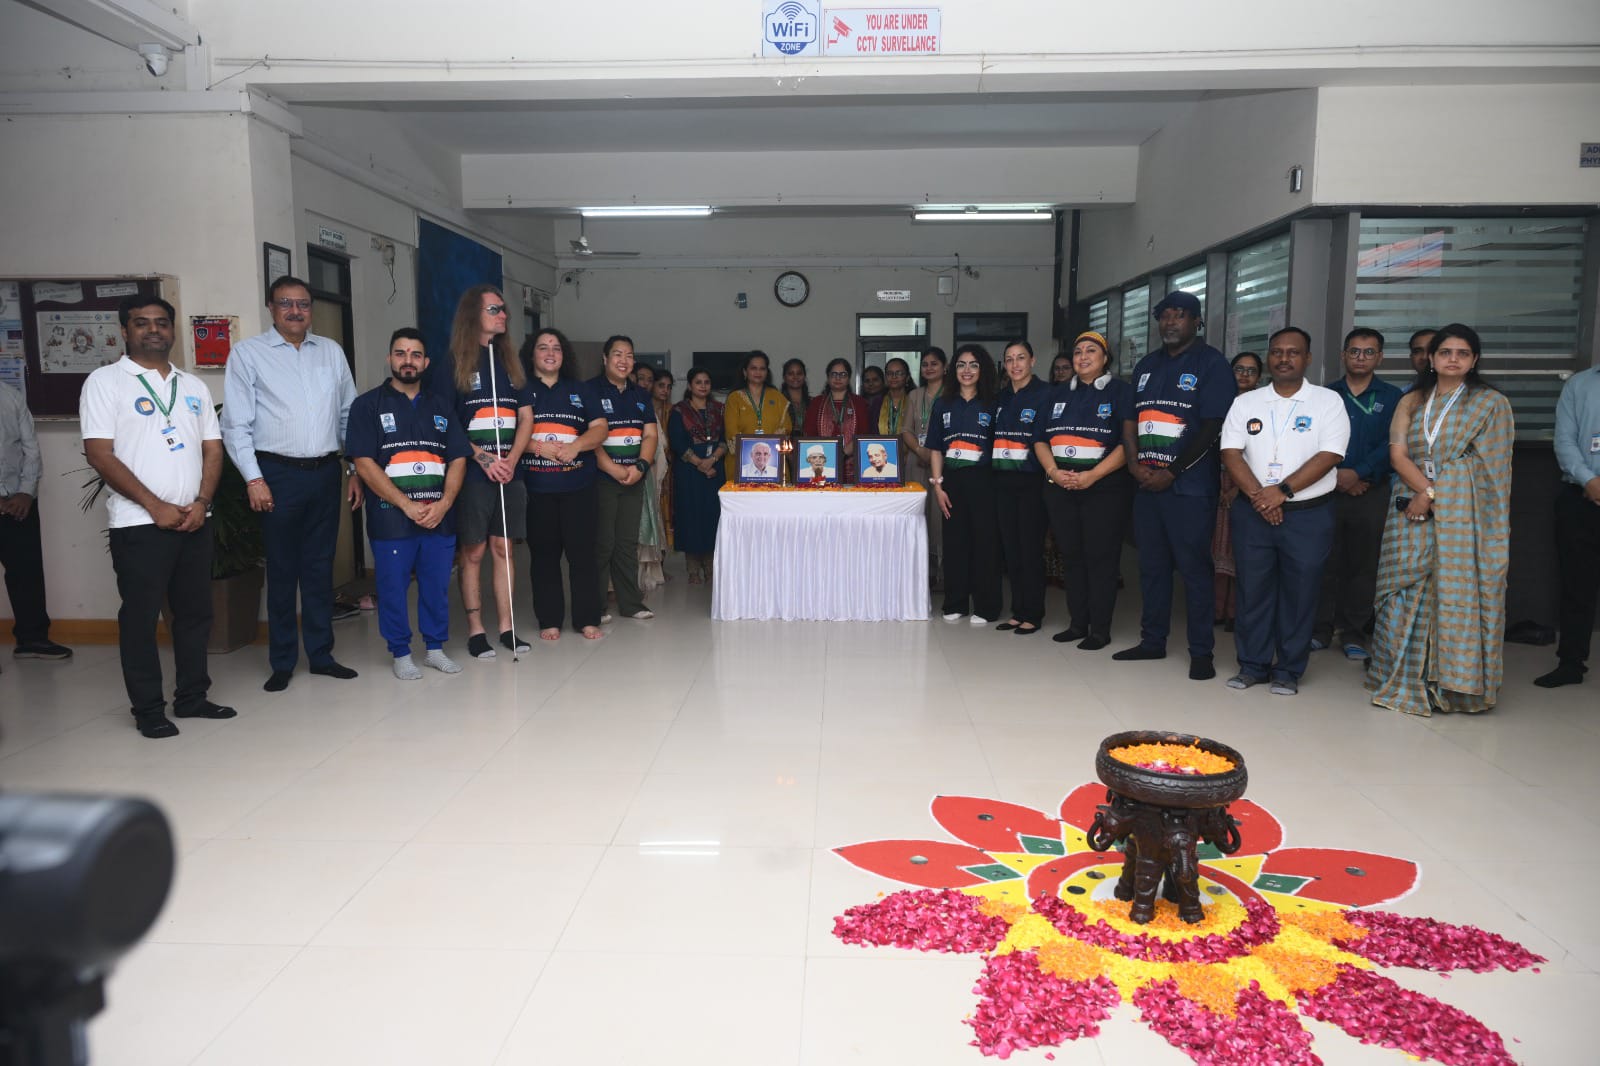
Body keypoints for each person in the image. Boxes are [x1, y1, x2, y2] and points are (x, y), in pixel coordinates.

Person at [81, 296, 233, 738]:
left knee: (195, 615)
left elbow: (212, 450)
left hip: (194, 520)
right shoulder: (105, 382)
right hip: (139, 524)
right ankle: (148, 709)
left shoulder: (192, 386)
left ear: (172, 330)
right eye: (142, 323)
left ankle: (192, 697)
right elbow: (99, 453)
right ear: (124, 331)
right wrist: (154, 505)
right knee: (141, 618)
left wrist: (202, 502)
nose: (153, 330)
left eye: (162, 323)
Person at [222, 275, 362, 692]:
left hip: (325, 473)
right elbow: (236, 425)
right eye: (286, 303)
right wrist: (254, 479)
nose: (295, 311)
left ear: (310, 309)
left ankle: (321, 655)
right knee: (282, 571)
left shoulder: (331, 352)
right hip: (276, 474)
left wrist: (354, 468)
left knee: (319, 568)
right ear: (271, 308)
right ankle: (282, 661)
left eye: (302, 304)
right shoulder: (248, 354)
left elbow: (348, 415)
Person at [1368, 324, 1514, 716]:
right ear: (1431, 359)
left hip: (1464, 519)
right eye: (1445, 352)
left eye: (1462, 353)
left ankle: (1453, 686)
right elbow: (1397, 454)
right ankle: (1402, 679)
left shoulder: (1490, 404)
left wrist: (1432, 495)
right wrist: (1425, 493)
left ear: (1474, 360)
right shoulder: (1411, 400)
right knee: (1401, 592)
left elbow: (1488, 468)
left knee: (1451, 591)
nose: (1453, 359)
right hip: (1410, 511)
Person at [1219, 328, 1349, 696]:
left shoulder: (1327, 401)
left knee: (1300, 592)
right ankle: (1252, 665)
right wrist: (1262, 497)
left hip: (1308, 514)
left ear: (1308, 358)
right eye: (1277, 352)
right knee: (1253, 590)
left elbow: (1330, 455)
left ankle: (1289, 670)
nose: (1284, 358)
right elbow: (1230, 452)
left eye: (1293, 352)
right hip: (1253, 511)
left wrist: (1283, 492)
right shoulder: (1247, 402)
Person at [1113, 291, 1235, 681]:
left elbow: (1213, 426)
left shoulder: (1212, 364)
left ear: (1197, 321)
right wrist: (1134, 464)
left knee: (1195, 571)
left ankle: (1201, 653)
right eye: (1164, 316)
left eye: (1179, 315)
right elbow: (1130, 421)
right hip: (1147, 486)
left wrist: (1174, 471)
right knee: (1151, 568)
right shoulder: (1146, 366)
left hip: (1189, 489)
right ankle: (1152, 641)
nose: (1170, 322)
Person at [346, 328, 471, 679]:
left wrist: (445, 503)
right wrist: (406, 505)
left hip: (438, 517)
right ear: (390, 359)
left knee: (436, 586)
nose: (408, 361)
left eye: (416, 355)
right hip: (391, 518)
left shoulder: (441, 405)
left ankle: (434, 649)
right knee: (392, 587)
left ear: (426, 362)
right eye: (400, 353)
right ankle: (400, 652)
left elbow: (458, 458)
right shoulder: (367, 405)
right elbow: (364, 464)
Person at [1035, 330, 1135, 650]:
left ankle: (1100, 630)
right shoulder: (1056, 394)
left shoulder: (1121, 392)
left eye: (1091, 351)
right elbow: (1040, 439)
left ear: (1105, 358)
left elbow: (1127, 443)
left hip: (1104, 489)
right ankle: (1078, 623)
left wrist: (1093, 475)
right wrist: (1053, 472)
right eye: (1078, 352)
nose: (1083, 357)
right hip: (1061, 487)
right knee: (1072, 556)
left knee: (1101, 558)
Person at [446, 285, 532, 660]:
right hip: (474, 474)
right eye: (495, 310)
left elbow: (526, 417)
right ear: (474, 315)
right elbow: (447, 423)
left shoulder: (510, 361)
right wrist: (484, 458)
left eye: (503, 309)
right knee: (474, 551)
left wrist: (511, 459)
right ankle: (476, 630)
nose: (503, 315)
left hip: (510, 472)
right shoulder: (455, 362)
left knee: (503, 547)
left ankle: (507, 628)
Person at [1312, 328, 1402, 660]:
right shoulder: (1325, 395)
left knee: (1363, 565)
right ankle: (1320, 629)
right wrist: (1337, 475)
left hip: (1371, 491)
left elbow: (1394, 444)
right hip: (1325, 488)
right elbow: (1312, 440)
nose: (1361, 358)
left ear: (1380, 357)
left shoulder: (1393, 397)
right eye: (1354, 351)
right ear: (1343, 355)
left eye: (1368, 352)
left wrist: (1359, 473)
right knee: (1323, 561)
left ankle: (1353, 633)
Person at [520, 328, 610, 640]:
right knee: (543, 557)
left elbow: (600, 428)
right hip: (537, 489)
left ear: (564, 355)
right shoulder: (519, 389)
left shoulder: (581, 390)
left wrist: (576, 446)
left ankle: (587, 618)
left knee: (582, 555)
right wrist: (536, 447)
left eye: (556, 348)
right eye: (543, 347)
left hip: (579, 487)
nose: (550, 353)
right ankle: (549, 620)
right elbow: (508, 434)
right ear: (531, 353)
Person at [927, 344, 1000, 625]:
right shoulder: (943, 404)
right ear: (953, 370)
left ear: (983, 370)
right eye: (961, 365)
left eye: (973, 365)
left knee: (984, 543)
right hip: (952, 482)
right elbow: (936, 448)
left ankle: (986, 606)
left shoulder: (994, 403)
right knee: (955, 542)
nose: (966, 371)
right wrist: (938, 486)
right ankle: (955, 602)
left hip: (984, 480)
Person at [1537, 357, 1600, 688]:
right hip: (1580, 497)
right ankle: (1572, 663)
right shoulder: (1579, 384)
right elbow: (1565, 440)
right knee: (1577, 584)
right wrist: (1589, 480)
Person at [1, 380, 72, 666]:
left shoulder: (10, 396)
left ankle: (32, 639)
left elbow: (31, 448)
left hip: (18, 501)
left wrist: (25, 492)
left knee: (26, 572)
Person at [591, 334, 659, 623]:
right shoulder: (590, 391)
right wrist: (613, 469)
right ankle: (594, 606)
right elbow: (589, 438)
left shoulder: (640, 395)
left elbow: (650, 435)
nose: (624, 360)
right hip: (601, 478)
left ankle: (630, 603)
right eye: (617, 354)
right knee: (602, 543)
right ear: (605, 359)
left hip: (634, 478)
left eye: (629, 355)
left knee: (627, 543)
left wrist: (640, 466)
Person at [991, 339, 1050, 635]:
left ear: (1032, 361)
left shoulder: (1045, 394)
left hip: (1032, 481)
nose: (1015, 364)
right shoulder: (1000, 397)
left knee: (1030, 548)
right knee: (1011, 549)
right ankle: (1018, 610)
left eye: (1021, 358)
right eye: (1010, 359)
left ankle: (1033, 613)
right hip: (1002, 481)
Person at [1213, 352, 1262, 631]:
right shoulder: (1218, 401)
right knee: (1215, 549)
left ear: (1259, 377)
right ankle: (1216, 608)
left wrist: (1239, 489)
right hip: (1215, 482)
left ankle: (1235, 612)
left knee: (1241, 552)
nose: (1244, 375)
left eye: (1251, 371)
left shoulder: (1261, 406)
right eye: (1239, 369)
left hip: (1249, 485)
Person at [668, 367, 725, 583]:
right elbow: (677, 442)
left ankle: (711, 567)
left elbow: (725, 439)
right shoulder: (679, 410)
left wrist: (712, 460)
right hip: (689, 470)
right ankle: (692, 569)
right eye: (698, 382)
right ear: (690, 385)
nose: (703, 386)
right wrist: (700, 463)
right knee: (690, 517)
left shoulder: (719, 409)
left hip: (715, 470)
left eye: (706, 382)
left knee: (712, 516)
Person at [901, 347, 947, 590]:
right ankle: (920, 572)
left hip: (944, 463)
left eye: (934, 363)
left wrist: (935, 454)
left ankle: (942, 571)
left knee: (939, 516)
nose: (928, 368)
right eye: (925, 364)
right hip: (916, 460)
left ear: (944, 367)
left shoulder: (952, 394)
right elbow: (906, 430)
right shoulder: (914, 395)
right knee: (918, 513)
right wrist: (920, 451)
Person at [723, 350, 792, 479]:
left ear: (767, 372)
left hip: (772, 461)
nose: (758, 372)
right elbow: (731, 431)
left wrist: (768, 446)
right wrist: (752, 450)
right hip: (742, 462)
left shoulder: (777, 397)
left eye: (762, 369)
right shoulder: (734, 398)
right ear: (745, 372)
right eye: (753, 368)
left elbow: (786, 427)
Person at [804, 358, 872, 481]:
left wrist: (844, 452)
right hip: (822, 464)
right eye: (834, 374)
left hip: (854, 467)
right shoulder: (817, 403)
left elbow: (864, 434)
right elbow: (809, 435)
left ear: (849, 378)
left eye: (843, 374)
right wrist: (827, 454)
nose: (838, 378)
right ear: (828, 377)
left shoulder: (859, 403)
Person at [638, 365, 672, 593]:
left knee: (656, 518)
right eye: (641, 379)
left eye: (649, 380)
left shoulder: (669, 410)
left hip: (657, 472)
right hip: (635, 471)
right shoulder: (637, 406)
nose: (645, 384)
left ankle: (653, 569)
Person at [876, 358, 913, 438]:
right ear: (885, 377)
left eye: (899, 373)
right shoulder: (877, 403)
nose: (894, 376)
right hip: (881, 445)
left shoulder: (914, 401)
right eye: (890, 373)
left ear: (907, 377)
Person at [780, 358, 810, 435]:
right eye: (790, 374)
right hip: (785, 442)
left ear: (804, 376)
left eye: (799, 373)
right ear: (784, 377)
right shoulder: (778, 402)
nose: (795, 377)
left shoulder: (813, 402)